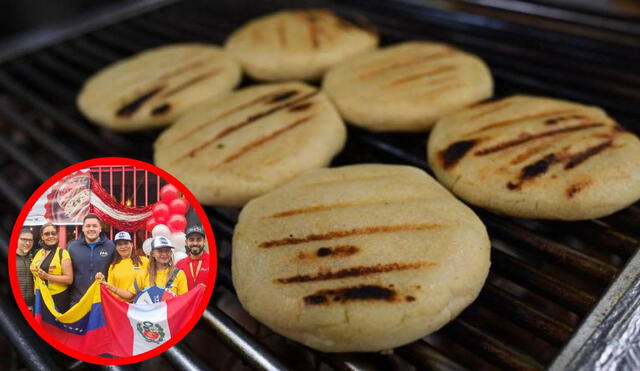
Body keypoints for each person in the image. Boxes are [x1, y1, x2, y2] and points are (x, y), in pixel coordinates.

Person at [107, 236, 188, 302]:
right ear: (152, 253)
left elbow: (183, 300)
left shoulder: (179, 274)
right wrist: (112, 287)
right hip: (148, 320)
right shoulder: (144, 274)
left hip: (170, 318)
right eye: (160, 251)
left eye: (167, 251)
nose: (164, 254)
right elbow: (129, 295)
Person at [67, 214, 115, 306]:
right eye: (88, 226)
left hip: (103, 300)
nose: (91, 229)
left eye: (95, 226)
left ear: (100, 228)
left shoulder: (111, 246)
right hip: (78, 301)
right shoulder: (72, 247)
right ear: (83, 228)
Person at [30, 224, 73, 313]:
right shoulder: (37, 253)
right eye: (47, 234)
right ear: (42, 236)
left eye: (53, 233)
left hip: (57, 298)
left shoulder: (62, 253)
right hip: (39, 297)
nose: (51, 236)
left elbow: (69, 279)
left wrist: (47, 276)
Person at [95, 231, 148, 302]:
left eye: (126, 243)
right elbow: (110, 290)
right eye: (119, 244)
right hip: (120, 307)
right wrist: (102, 281)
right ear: (116, 247)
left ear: (132, 244)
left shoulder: (144, 261)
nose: (123, 247)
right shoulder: (113, 266)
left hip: (141, 304)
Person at [176, 225, 210, 290]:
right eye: (191, 240)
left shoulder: (213, 262)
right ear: (186, 242)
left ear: (204, 241)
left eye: (199, 239)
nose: (195, 243)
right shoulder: (179, 264)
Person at [16, 227, 35, 311]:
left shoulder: (35, 258)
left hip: (31, 306)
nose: (27, 243)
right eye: (24, 239)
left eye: (30, 240)